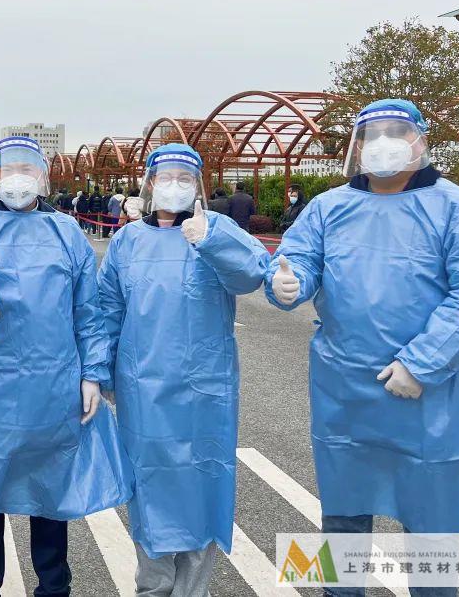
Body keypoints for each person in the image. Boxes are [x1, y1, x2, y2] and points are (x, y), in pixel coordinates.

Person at [266, 99, 459, 597]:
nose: (382, 144)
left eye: (395, 133)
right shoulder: (329, 207)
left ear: (420, 140)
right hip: (345, 386)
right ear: (357, 148)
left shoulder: (457, 206)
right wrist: (287, 282)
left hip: (429, 393)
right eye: (371, 136)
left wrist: (422, 363)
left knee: (431, 521)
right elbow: (299, 258)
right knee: (343, 513)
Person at [0, 136, 131, 597]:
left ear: (43, 178)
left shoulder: (66, 232)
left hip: (52, 385)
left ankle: (53, 587)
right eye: (9, 169)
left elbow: (88, 310)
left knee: (50, 492)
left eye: (27, 168)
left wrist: (93, 373)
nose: (18, 178)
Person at [98, 145, 268, 597]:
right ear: (150, 184)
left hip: (205, 391)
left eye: (185, 177)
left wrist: (210, 240)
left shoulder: (218, 231)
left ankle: (194, 590)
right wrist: (99, 372)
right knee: (148, 488)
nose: (174, 185)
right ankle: (153, 588)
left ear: (198, 186)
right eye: (166, 177)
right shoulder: (128, 242)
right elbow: (107, 310)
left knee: (202, 489)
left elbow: (252, 274)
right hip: (143, 391)